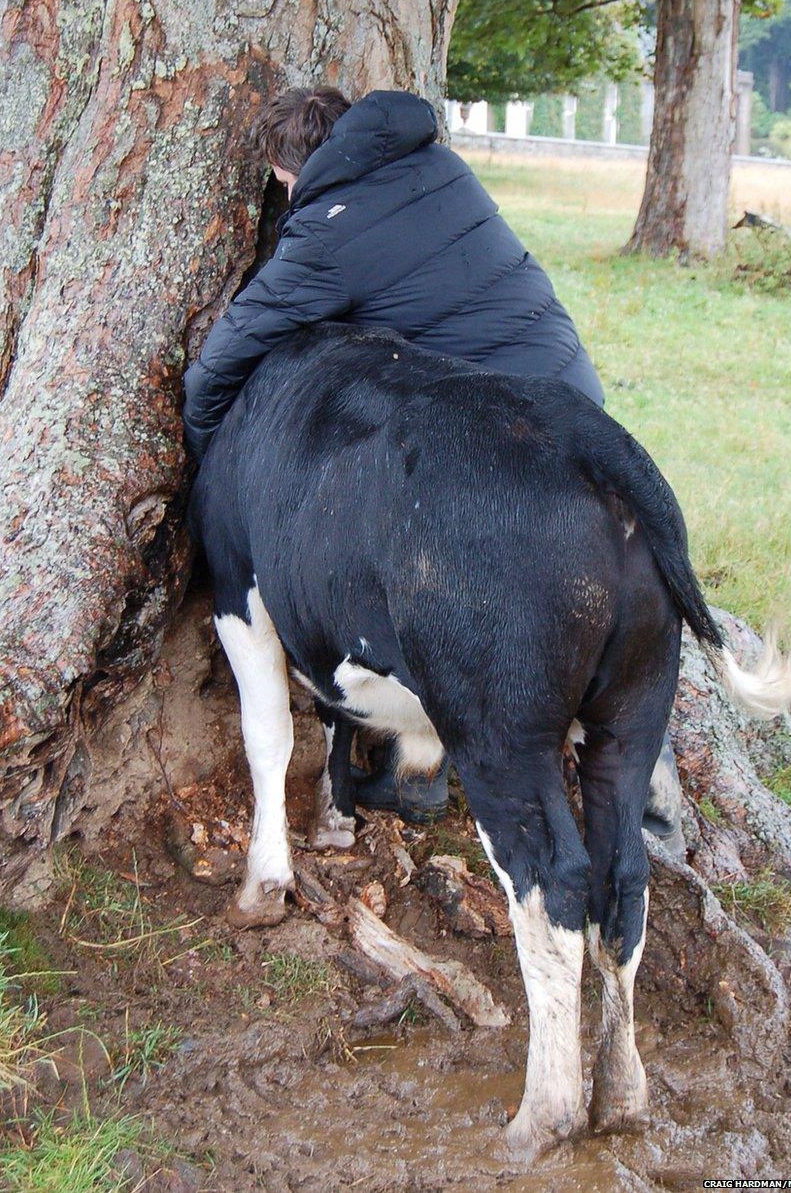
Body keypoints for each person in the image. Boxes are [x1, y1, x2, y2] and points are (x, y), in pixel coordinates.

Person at [183, 86, 684, 856]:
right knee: (598, 585)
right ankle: (605, 781)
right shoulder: (436, 165)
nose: (283, 197)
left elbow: (227, 353)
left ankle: (444, 774)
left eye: (281, 184)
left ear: (292, 169)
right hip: (571, 395)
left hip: (492, 428)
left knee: (443, 591)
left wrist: (211, 454)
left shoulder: (324, 233)